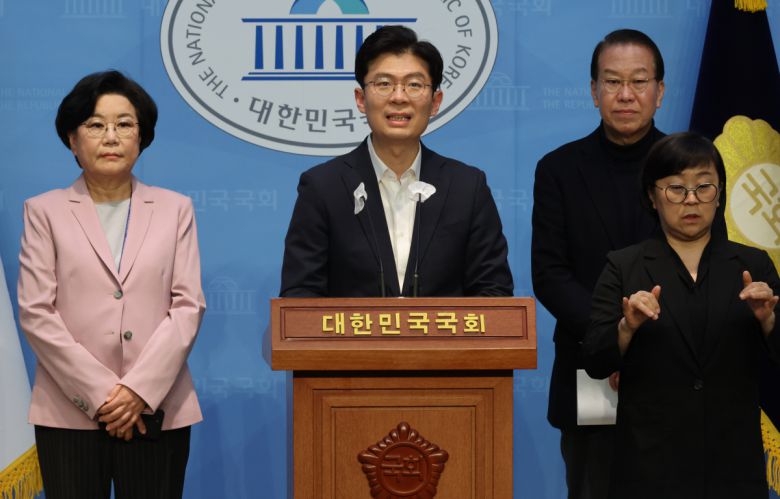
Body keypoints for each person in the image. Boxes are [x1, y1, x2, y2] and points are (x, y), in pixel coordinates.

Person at [17, 70, 206, 499]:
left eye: (124, 124)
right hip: (69, 412)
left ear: (142, 137)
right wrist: (105, 394)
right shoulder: (44, 212)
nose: (111, 137)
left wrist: (139, 390)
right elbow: (36, 311)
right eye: (95, 125)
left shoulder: (175, 209)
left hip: (157, 408)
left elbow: (188, 306)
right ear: (72, 139)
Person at [583, 132, 779, 499]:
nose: (691, 199)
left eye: (704, 186)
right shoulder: (624, 266)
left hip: (732, 465)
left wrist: (768, 321)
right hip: (650, 465)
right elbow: (594, 359)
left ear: (719, 194)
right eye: (676, 188)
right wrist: (626, 327)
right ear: (652, 195)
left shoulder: (753, 265)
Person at [531, 29, 667, 498]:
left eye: (639, 81)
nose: (626, 94)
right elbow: (550, 274)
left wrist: (650, 344)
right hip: (590, 368)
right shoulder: (558, 169)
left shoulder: (690, 167)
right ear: (594, 91)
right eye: (612, 81)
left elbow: (708, 267)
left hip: (674, 366)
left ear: (659, 91)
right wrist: (612, 339)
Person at [280, 25, 512, 297]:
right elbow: (300, 296)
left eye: (414, 85)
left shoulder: (467, 187)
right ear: (360, 99)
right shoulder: (323, 187)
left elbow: (493, 292)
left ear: (435, 102)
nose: (399, 97)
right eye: (384, 84)